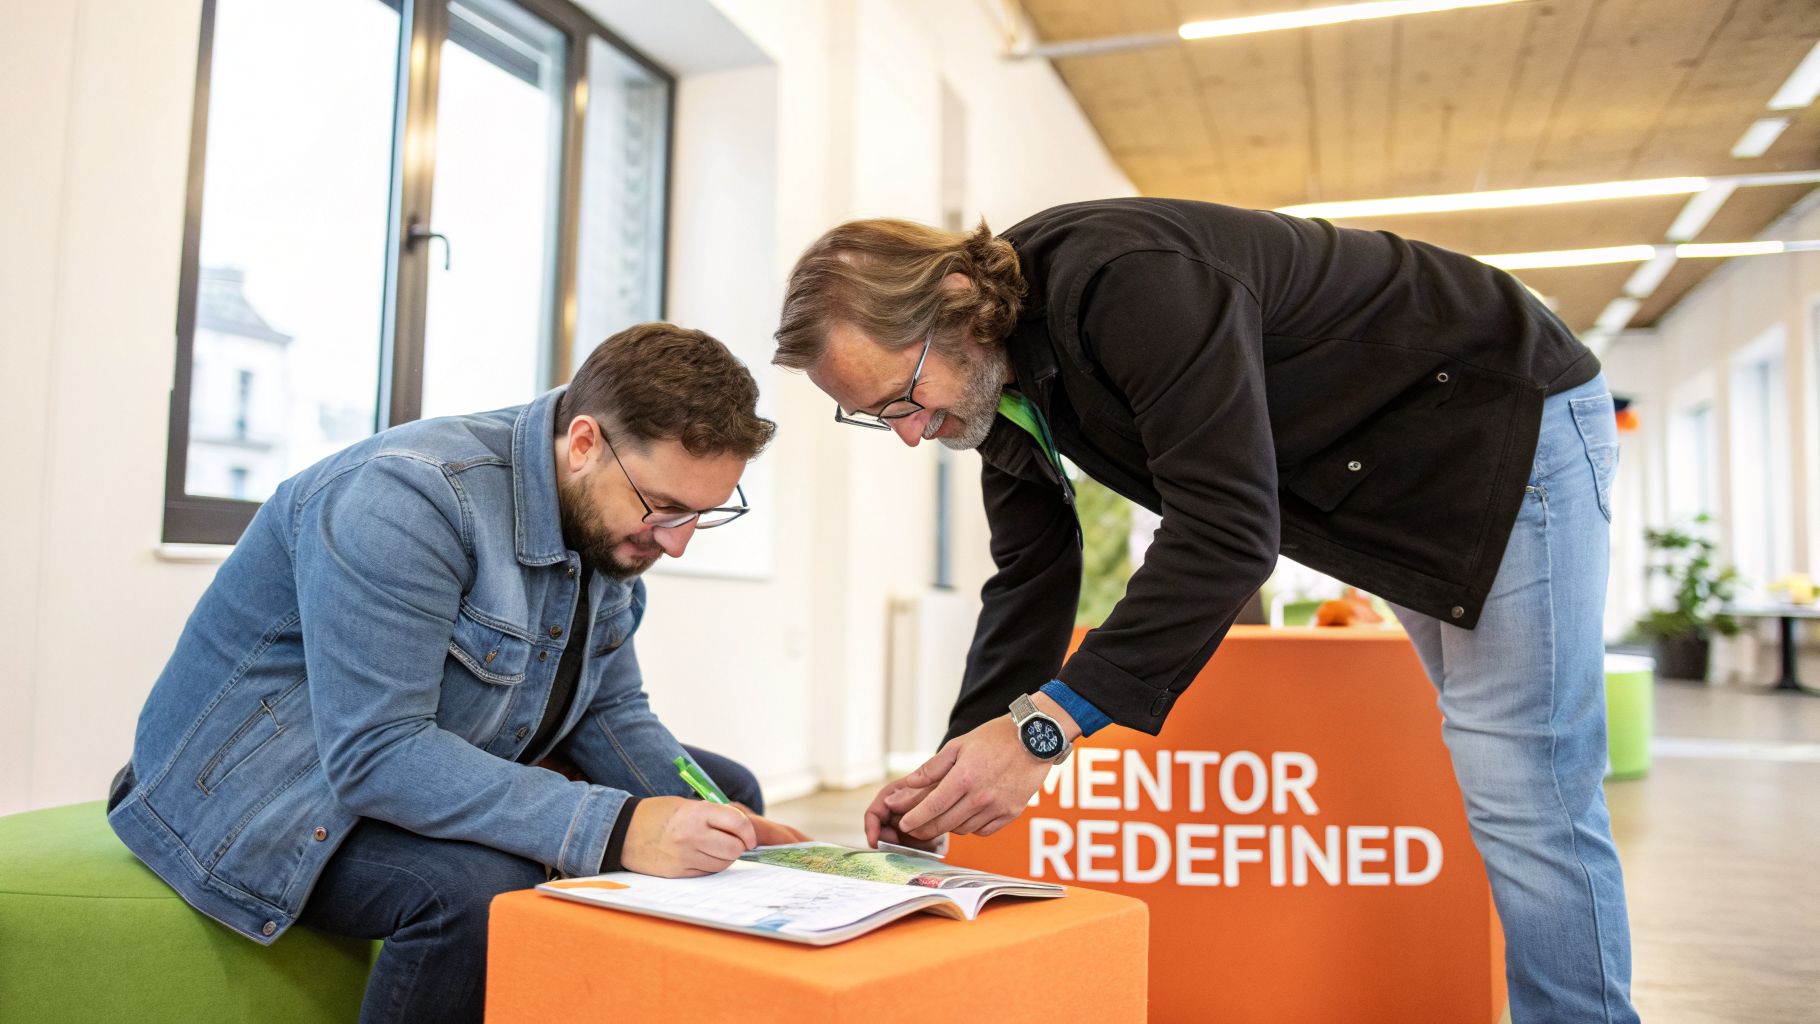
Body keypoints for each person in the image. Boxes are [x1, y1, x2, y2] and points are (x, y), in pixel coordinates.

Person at [773, 198, 1636, 1022]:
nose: (910, 433)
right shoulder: (997, 371)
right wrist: (957, 769)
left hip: (1503, 417)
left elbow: (1225, 532)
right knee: (1502, 768)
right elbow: (1033, 568)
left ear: (955, 303)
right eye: (875, 417)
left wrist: (1046, 729)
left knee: (1526, 785)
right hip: (1389, 476)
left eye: (901, 396)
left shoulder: (1128, 282)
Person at [109, 322, 807, 1023]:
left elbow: (609, 710)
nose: (677, 544)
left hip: (426, 750)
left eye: (704, 515)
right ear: (586, 444)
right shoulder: (406, 498)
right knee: (482, 891)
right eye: (665, 508)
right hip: (262, 793)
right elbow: (378, 754)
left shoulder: (603, 516)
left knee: (728, 797)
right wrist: (623, 825)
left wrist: (717, 815)